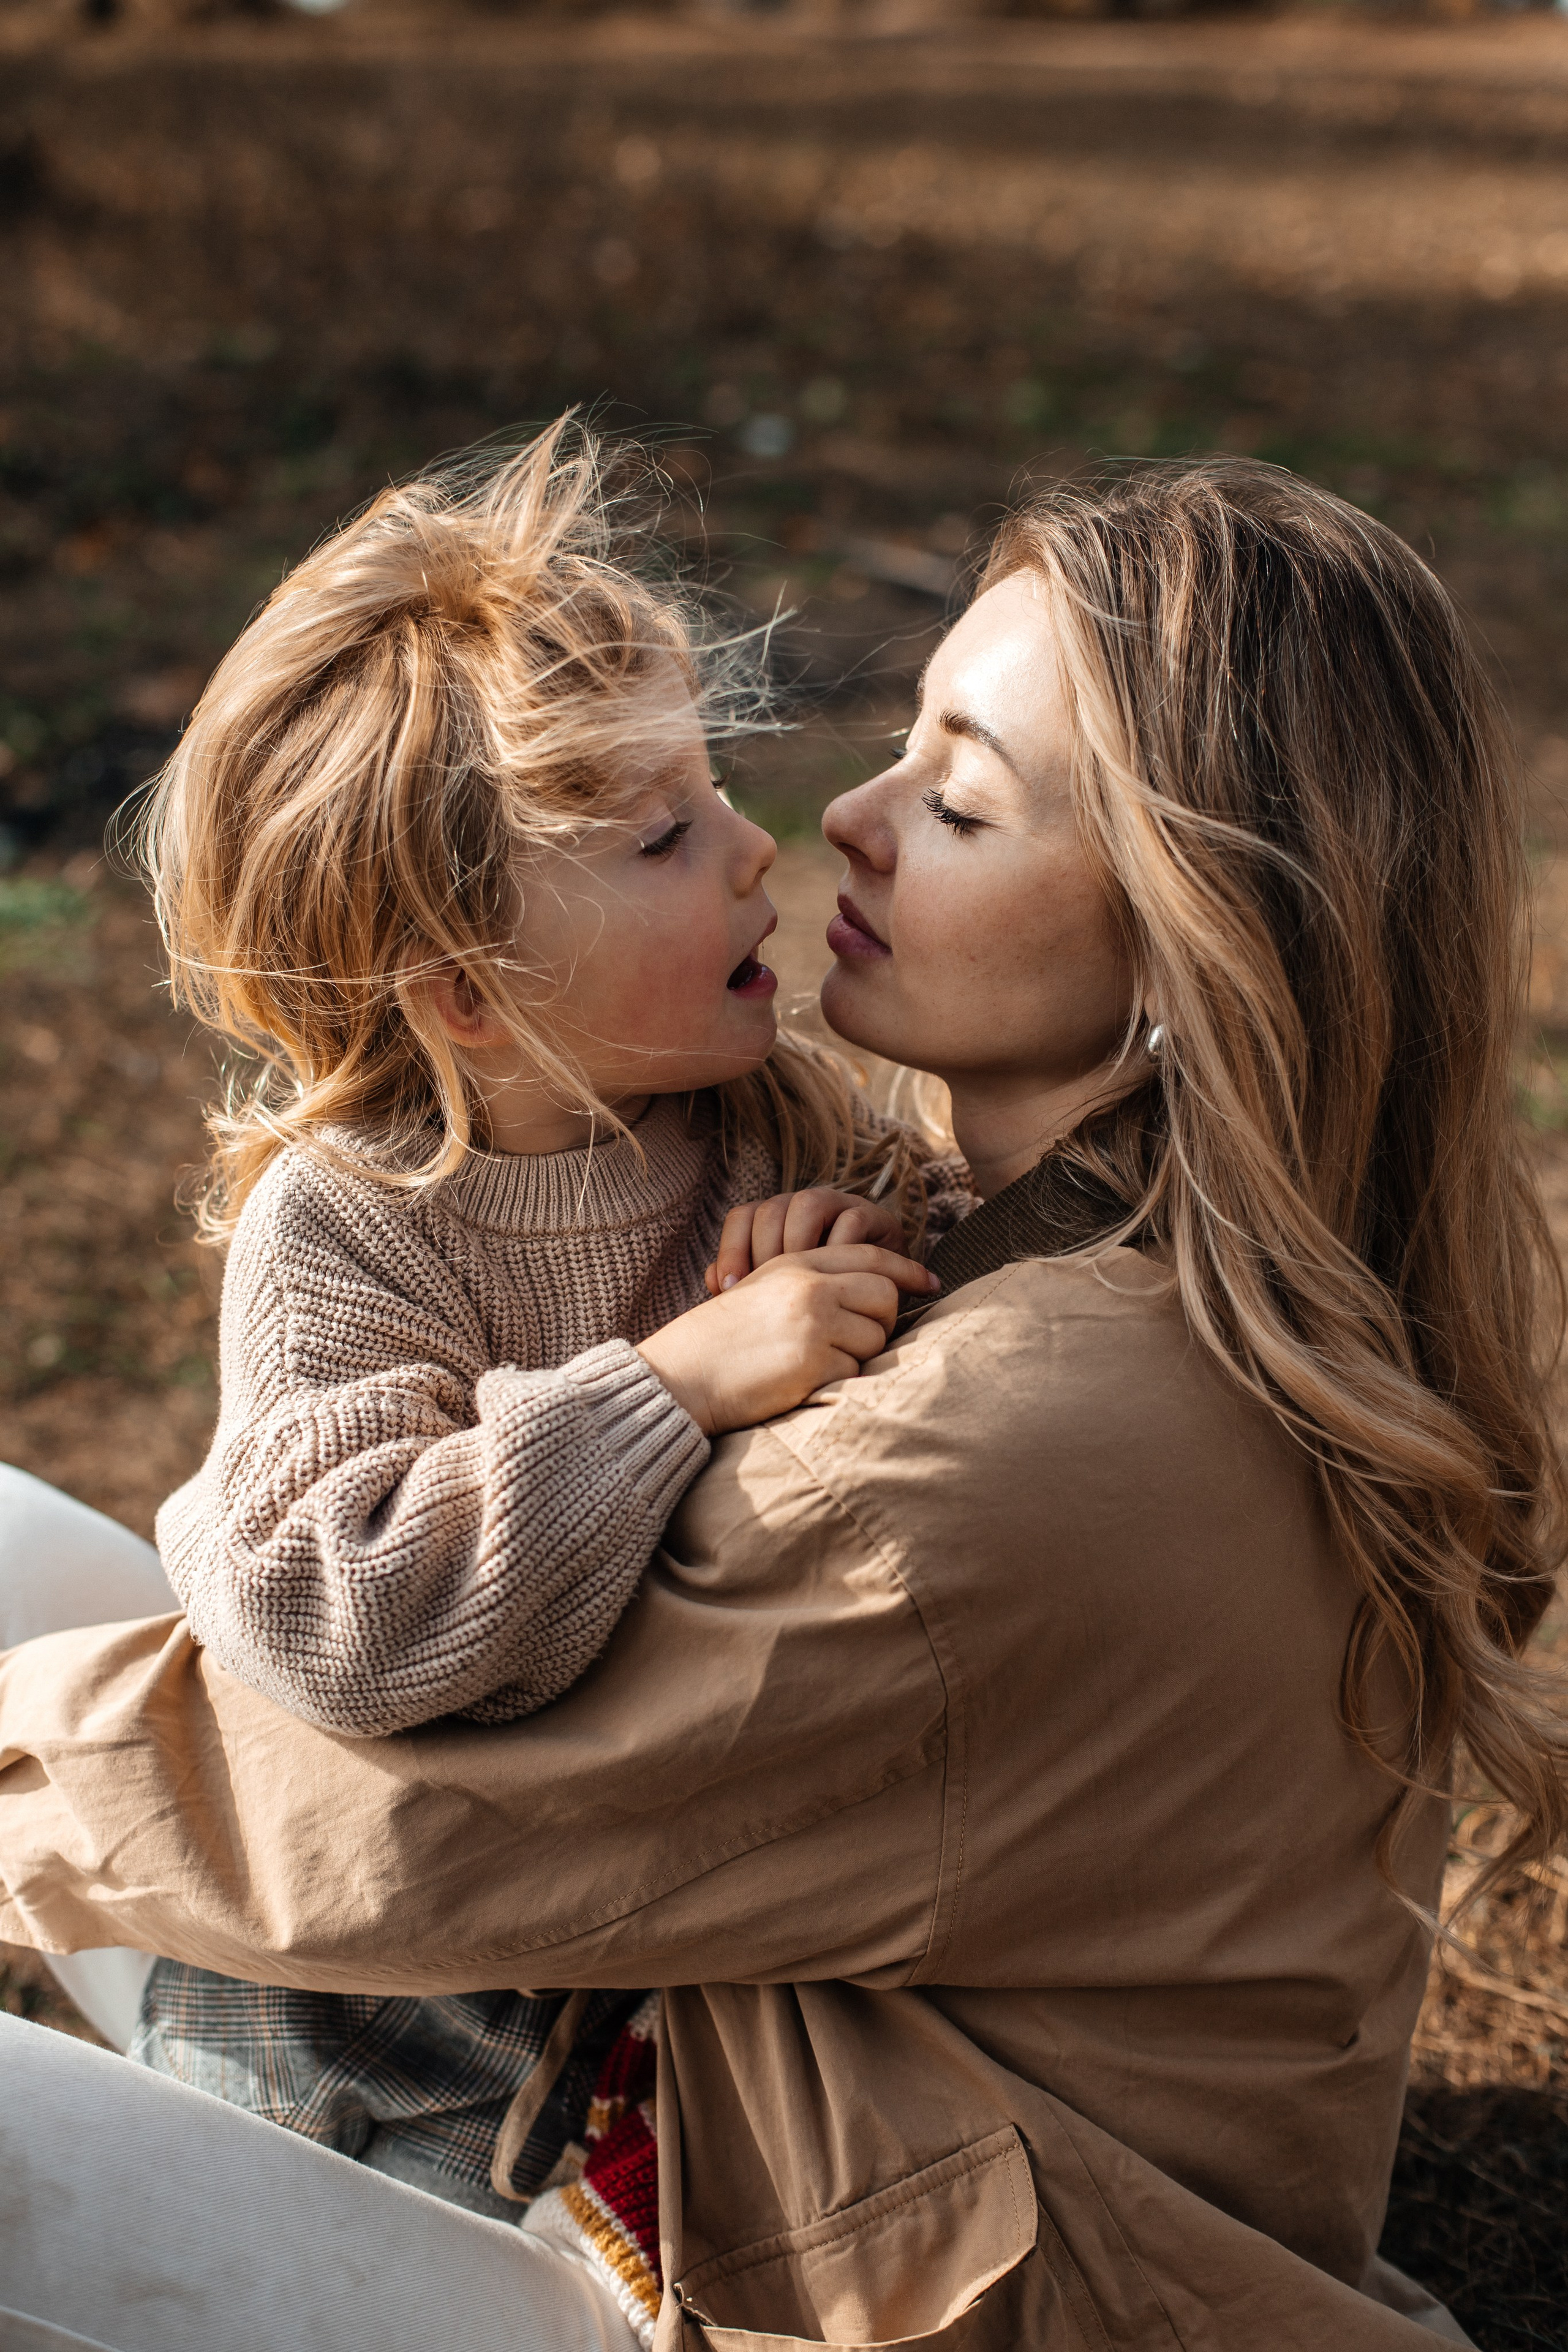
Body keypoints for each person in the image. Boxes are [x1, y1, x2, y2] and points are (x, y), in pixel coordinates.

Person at [4, 459, 1566, 2352]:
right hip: (813, 2072)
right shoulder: (1192, 1247)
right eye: (906, 745)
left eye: (964, 798)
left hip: (851, 2270)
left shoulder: (1010, 1439)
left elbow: (404, 1828)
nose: (831, 820)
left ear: (1191, 940)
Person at [9, 417, 958, 2303]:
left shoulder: (772, 1118)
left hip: (608, 2032)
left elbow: (952, 1321)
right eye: (665, 835)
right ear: (465, 986)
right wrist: (672, 1385)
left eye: (718, 788)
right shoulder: (354, 1223)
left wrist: (864, 1251)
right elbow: (334, 1613)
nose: (756, 847)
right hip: (345, 2042)